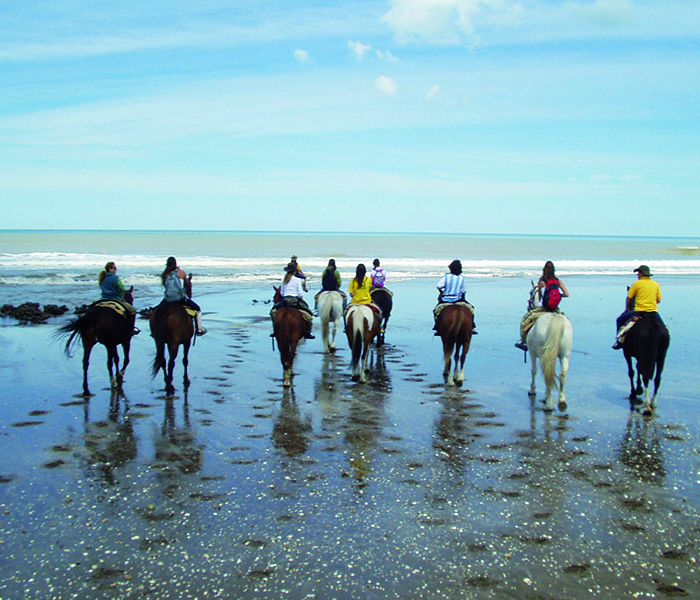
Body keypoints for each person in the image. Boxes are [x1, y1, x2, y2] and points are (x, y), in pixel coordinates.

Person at [515, 261, 569, 351]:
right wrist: (559, 295)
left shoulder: (542, 282)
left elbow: (540, 297)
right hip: (555, 308)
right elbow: (567, 294)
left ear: (544, 270)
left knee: (525, 321)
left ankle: (524, 343)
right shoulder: (558, 281)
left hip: (544, 308)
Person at [612, 264, 664, 349]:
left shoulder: (637, 284)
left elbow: (629, 298)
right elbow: (658, 300)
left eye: (638, 273)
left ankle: (619, 341)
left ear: (642, 273)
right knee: (663, 327)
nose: (637, 275)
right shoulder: (656, 284)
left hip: (639, 311)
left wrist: (627, 309)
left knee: (619, 320)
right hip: (653, 312)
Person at [161, 256, 207, 335]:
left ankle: (155, 331)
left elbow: (166, 288)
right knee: (198, 310)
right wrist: (189, 281)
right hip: (180, 299)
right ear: (175, 264)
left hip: (168, 299)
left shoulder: (164, 274)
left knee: (157, 311)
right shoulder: (181, 273)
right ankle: (199, 329)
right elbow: (186, 286)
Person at [272, 262, 315, 339]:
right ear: (295, 271)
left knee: (273, 313)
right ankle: (307, 332)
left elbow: (282, 292)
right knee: (309, 317)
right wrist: (301, 299)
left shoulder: (283, 280)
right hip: (295, 300)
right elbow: (300, 293)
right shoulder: (297, 280)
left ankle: (275, 331)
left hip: (285, 300)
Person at [433, 259, 476, 335]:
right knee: (471, 309)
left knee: (436, 311)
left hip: (446, 299)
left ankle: (437, 327)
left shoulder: (446, 277)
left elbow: (439, 286)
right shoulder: (461, 278)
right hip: (458, 299)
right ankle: (472, 327)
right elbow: (464, 290)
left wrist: (442, 292)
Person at [98, 261, 139, 335]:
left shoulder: (102, 278)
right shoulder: (115, 278)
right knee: (133, 310)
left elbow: (101, 287)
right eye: (114, 268)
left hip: (103, 300)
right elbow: (122, 289)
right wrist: (122, 296)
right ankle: (131, 329)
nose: (115, 270)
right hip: (115, 299)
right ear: (110, 269)